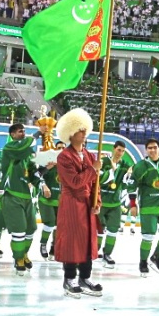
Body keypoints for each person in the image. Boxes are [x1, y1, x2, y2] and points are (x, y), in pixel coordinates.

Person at [55, 108, 103, 298]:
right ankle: (69, 278)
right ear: (70, 134)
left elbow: (94, 184)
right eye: (79, 130)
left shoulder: (90, 155)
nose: (83, 133)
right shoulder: (64, 157)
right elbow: (74, 182)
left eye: (84, 129)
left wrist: (97, 201)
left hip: (87, 203)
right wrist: (93, 169)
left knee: (88, 240)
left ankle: (85, 277)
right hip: (72, 202)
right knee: (72, 240)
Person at [0, 123, 45, 276]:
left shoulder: (27, 156)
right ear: (12, 134)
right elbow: (22, 147)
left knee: (31, 229)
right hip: (12, 195)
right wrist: (38, 133)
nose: (23, 134)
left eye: (24, 131)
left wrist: (47, 168)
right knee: (19, 231)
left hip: (27, 198)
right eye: (20, 131)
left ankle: (24, 254)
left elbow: (34, 176)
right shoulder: (9, 148)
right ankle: (18, 258)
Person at [130, 138, 159, 277]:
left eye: (155, 147)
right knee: (148, 236)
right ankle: (143, 262)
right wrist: (133, 204)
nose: (152, 150)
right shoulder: (140, 166)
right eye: (149, 148)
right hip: (148, 207)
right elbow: (131, 185)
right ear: (146, 150)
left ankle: (156, 257)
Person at [97, 141, 132, 269]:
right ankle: (95, 251)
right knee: (99, 229)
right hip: (101, 201)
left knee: (113, 229)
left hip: (115, 202)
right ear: (114, 149)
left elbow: (126, 183)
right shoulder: (104, 161)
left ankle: (107, 254)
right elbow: (99, 178)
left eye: (123, 151)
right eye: (118, 150)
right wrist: (112, 169)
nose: (120, 153)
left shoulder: (126, 165)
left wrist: (128, 175)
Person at [38, 141, 65, 261]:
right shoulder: (47, 161)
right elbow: (38, 175)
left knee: (59, 225)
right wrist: (44, 186)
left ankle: (54, 247)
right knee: (50, 223)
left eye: (64, 148)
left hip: (61, 201)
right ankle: (43, 244)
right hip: (46, 199)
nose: (61, 150)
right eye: (59, 148)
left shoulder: (68, 165)